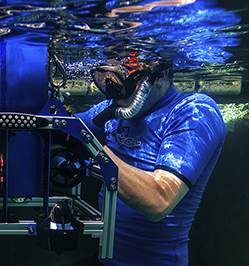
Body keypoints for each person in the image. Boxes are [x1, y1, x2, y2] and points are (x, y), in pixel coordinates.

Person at [75, 52, 226, 266]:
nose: (115, 94)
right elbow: (59, 129)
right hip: (105, 260)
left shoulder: (193, 112)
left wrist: (94, 148)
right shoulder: (113, 109)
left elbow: (158, 201)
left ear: (160, 76)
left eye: (126, 81)